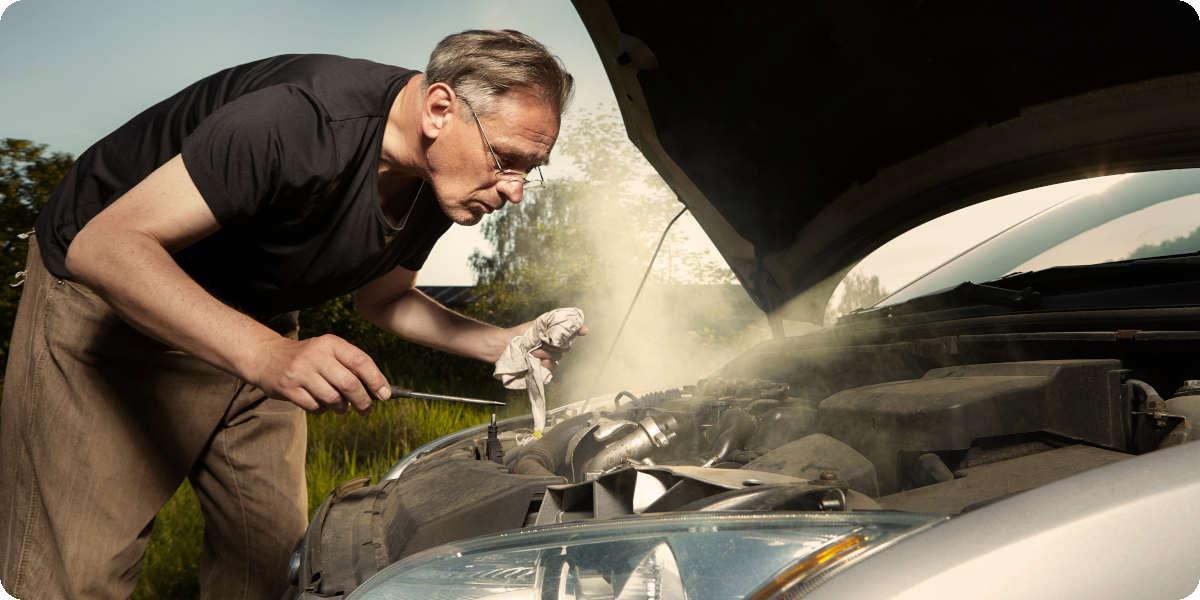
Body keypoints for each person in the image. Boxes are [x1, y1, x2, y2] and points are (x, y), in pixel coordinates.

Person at [0, 29, 581, 600]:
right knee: (78, 577)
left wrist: (501, 341)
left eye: (532, 168)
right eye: (506, 159)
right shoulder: (298, 121)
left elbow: (384, 300)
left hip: (262, 324)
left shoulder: (437, 181)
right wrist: (266, 354)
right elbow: (106, 249)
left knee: (280, 565)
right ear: (438, 108)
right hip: (118, 300)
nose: (516, 191)